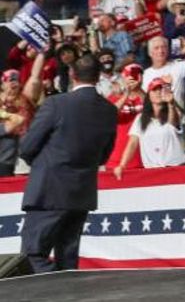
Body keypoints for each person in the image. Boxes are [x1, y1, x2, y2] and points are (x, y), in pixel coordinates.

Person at [18, 55, 118, 273]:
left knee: (33, 254)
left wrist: (39, 161)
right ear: (98, 76)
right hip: (81, 193)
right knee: (68, 260)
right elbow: (104, 155)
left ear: (72, 74)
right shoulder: (109, 110)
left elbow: (27, 146)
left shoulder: (56, 104)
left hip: (49, 191)